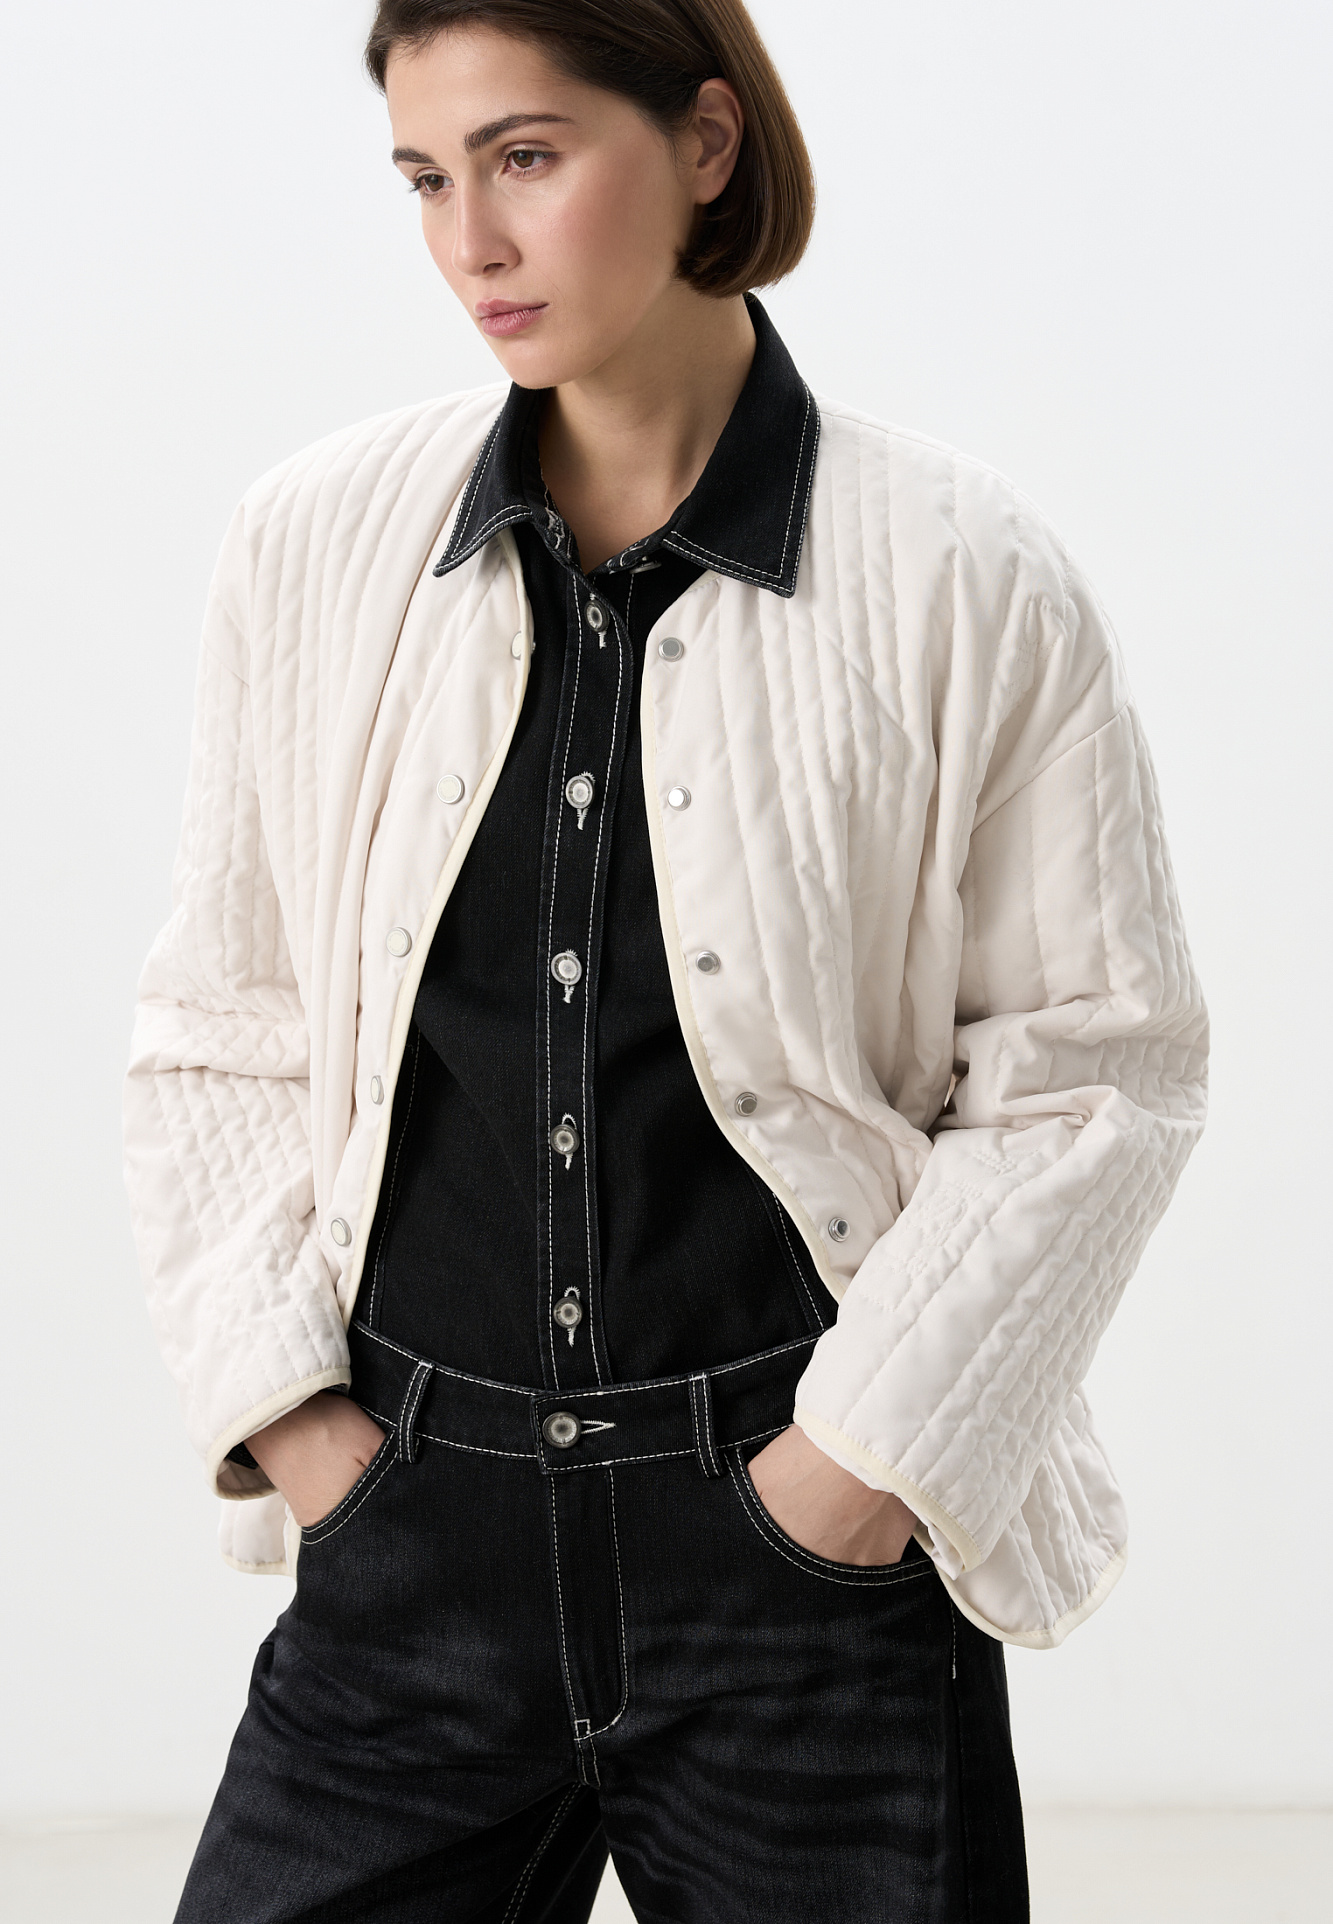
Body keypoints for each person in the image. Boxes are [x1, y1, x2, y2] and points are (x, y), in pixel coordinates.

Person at [123, 2, 1208, 1918]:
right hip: (408, 1549)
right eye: (424, 179)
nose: (470, 240)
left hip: (802, 1573)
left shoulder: (961, 569)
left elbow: (1091, 1073)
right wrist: (301, 1431)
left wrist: (855, 1474)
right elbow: (224, 1022)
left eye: (526, 159)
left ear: (707, 144)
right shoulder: (313, 546)